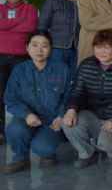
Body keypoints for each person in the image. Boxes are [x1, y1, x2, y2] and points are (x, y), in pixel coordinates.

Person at [62, 30, 112, 168]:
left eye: (107, 47)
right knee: (68, 123)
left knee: (111, 146)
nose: (102, 52)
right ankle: (87, 153)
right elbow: (77, 92)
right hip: (92, 116)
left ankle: (108, 148)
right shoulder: (86, 65)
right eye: (98, 47)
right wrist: (71, 109)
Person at [3, 31, 71, 173]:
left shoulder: (62, 69)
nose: (39, 50)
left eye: (44, 46)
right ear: (27, 48)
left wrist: (61, 116)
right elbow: (10, 98)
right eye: (34, 45)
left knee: (44, 147)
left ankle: (47, 152)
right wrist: (26, 114)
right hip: (27, 118)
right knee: (15, 130)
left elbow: (69, 96)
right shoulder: (19, 70)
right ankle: (21, 158)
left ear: (51, 49)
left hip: (52, 120)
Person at [0, 0, 38, 144]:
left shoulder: (30, 9)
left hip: (21, 58)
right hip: (0, 57)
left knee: (22, 94)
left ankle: (23, 128)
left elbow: (30, 27)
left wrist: (5, 26)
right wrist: (18, 22)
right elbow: (22, 25)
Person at [38, 0, 81, 73]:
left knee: (75, 78)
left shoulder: (85, 0)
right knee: (56, 78)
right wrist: (43, 47)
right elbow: (42, 26)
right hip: (56, 49)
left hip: (79, 48)